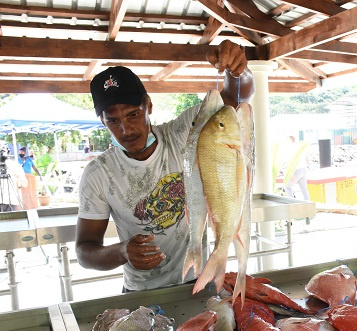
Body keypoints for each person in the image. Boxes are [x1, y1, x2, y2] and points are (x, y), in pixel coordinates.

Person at [76, 40, 255, 292]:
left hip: (200, 282)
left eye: (133, 114)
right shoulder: (98, 174)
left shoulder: (184, 133)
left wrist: (238, 72)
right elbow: (85, 251)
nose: (126, 129)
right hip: (141, 293)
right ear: (102, 121)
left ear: (148, 105)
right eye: (113, 120)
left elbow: (236, 98)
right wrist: (123, 251)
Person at [282, 135, 310, 200]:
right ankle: (308, 203)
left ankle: (292, 203)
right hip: (304, 170)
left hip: (296, 170)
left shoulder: (288, 148)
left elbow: (289, 161)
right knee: (304, 189)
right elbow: (306, 159)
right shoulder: (298, 146)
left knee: (287, 187)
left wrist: (290, 174)